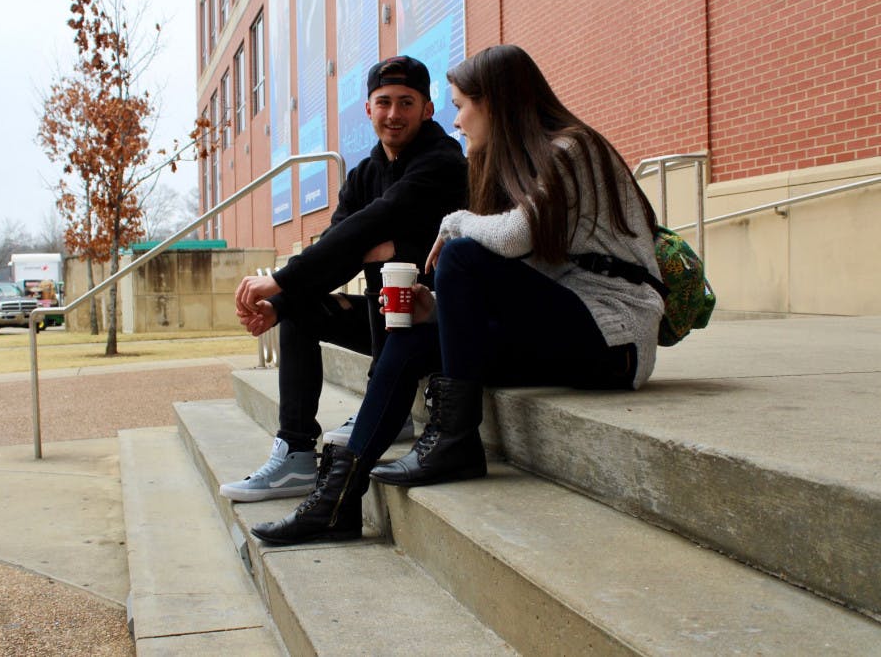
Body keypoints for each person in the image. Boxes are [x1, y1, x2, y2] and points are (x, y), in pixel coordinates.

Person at [250, 44, 664, 545]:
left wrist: (453, 224)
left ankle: (455, 438)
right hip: (560, 331)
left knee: (464, 252)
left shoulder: (570, 149)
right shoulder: (506, 165)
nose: (457, 119)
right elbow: (523, 270)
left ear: (495, 103)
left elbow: (513, 240)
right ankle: (339, 496)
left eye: (462, 105)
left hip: (614, 338)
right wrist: (441, 310)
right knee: (412, 333)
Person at [221, 56, 468, 502]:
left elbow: (377, 221)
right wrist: (279, 303)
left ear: (429, 110)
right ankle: (295, 453)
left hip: (441, 331)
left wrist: (280, 277)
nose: (394, 113)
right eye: (385, 102)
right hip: (389, 329)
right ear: (369, 109)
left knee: (388, 264)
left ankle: (388, 402)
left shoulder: (443, 161)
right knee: (300, 309)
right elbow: (340, 244)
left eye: (407, 103)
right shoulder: (365, 174)